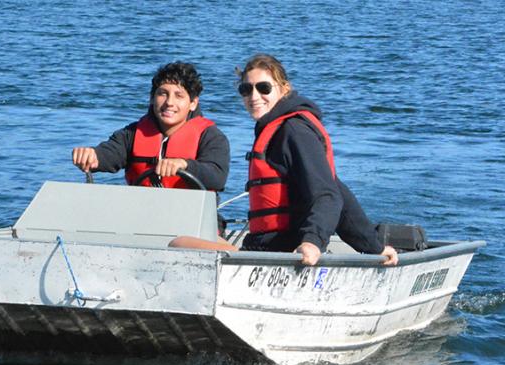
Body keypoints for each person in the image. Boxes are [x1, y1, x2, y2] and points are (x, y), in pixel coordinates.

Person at [170, 54, 398, 266]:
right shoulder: (274, 129)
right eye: (246, 89)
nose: (254, 96)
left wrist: (312, 242)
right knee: (185, 240)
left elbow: (328, 195)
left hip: (281, 254)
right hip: (263, 247)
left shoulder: (294, 131)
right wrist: (374, 246)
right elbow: (337, 189)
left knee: (177, 244)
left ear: (284, 89)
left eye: (263, 88)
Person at [72, 62, 229, 191]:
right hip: (142, 217)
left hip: (192, 221)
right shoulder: (132, 134)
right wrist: (92, 156)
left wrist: (184, 165)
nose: (169, 103)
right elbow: (109, 153)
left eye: (179, 95)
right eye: (163, 93)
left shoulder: (211, 137)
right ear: (152, 99)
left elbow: (217, 178)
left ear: (193, 103)